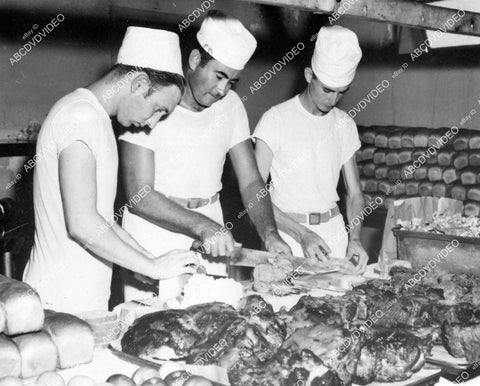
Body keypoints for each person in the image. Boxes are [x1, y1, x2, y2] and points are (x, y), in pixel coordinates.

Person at [23, 27, 200, 313]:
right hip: (58, 301)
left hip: (82, 297)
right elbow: (82, 223)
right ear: (139, 83)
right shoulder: (80, 116)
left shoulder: (96, 118)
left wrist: (145, 260)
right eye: (157, 109)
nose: (152, 123)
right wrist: (152, 266)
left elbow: (102, 219)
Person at [120, 11, 291, 301]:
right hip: (154, 234)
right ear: (196, 60)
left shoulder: (232, 106)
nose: (223, 90)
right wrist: (202, 226)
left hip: (212, 233)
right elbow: (140, 194)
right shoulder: (151, 101)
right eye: (219, 76)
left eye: (233, 82)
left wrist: (270, 233)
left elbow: (250, 180)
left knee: (215, 324)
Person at [253, 26, 368, 274]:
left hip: (334, 234)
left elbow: (355, 193)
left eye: (341, 93)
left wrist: (355, 237)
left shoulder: (344, 124)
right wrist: (302, 234)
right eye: (327, 89)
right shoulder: (276, 120)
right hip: (289, 234)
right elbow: (255, 196)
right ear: (309, 75)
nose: (333, 100)